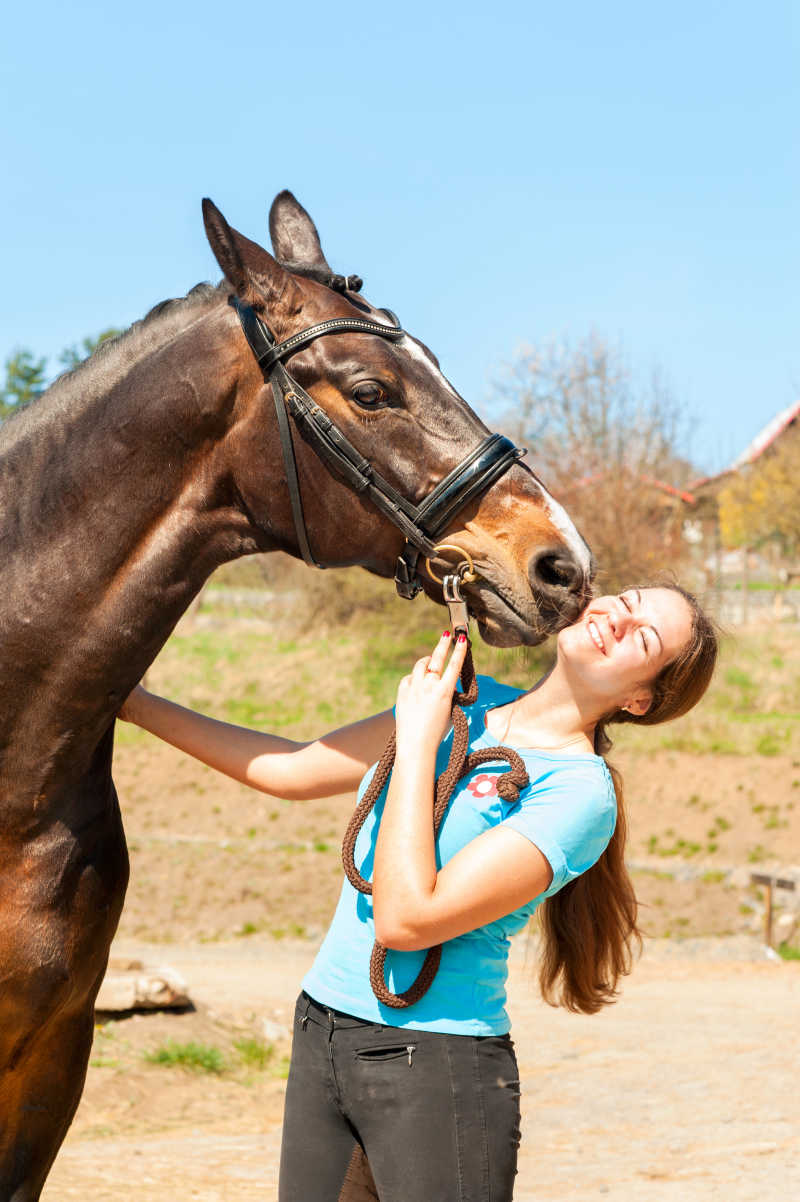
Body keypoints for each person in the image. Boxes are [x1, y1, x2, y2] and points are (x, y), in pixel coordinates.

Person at [119, 582, 718, 1202]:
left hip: (436, 1067)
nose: (619, 620)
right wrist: (131, 703)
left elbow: (407, 922)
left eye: (644, 637)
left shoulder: (577, 792)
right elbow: (291, 770)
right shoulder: (464, 701)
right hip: (322, 1030)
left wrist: (418, 739)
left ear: (640, 700)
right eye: (628, 600)